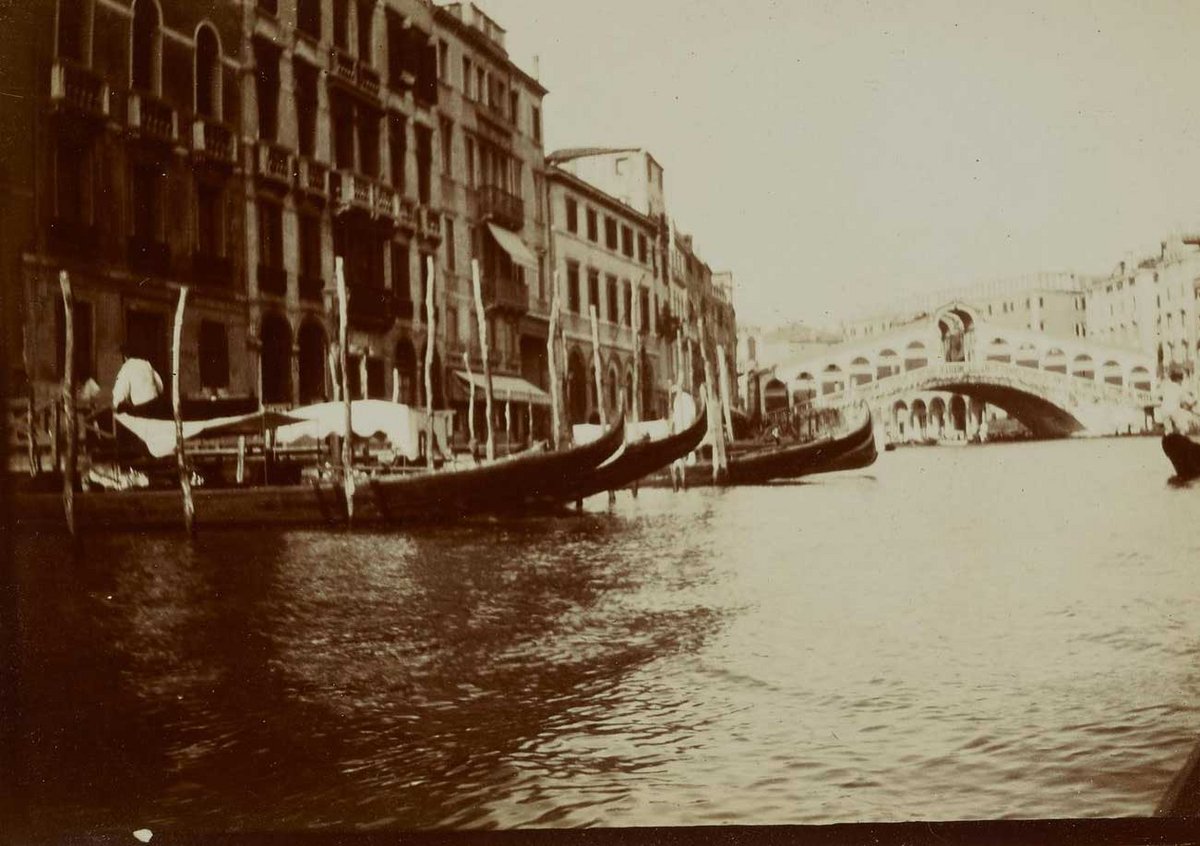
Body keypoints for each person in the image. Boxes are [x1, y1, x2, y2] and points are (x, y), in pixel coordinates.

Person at [111, 344, 164, 414]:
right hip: (156, 406)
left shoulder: (127, 367)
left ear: (125, 357)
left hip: (142, 409)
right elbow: (160, 387)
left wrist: (115, 405)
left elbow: (119, 394)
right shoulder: (146, 363)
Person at [1160, 366, 1197, 435]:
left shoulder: (1166, 386)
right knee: (1184, 428)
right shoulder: (1179, 389)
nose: (1182, 381)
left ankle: (1167, 438)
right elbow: (1190, 401)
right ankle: (1181, 439)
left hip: (1164, 411)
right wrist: (1194, 402)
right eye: (1181, 380)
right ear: (1178, 379)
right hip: (1174, 410)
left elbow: (1160, 397)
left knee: (1168, 430)